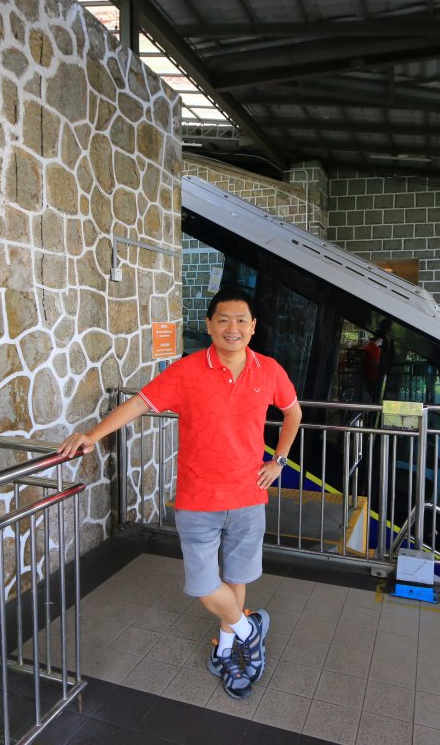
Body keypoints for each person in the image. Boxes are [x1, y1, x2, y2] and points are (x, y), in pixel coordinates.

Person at [56, 286, 302, 700]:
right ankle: (249, 630)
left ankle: (227, 651)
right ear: (209, 325)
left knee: (236, 580)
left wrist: (277, 460)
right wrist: (93, 435)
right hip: (198, 497)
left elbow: (293, 412)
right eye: (223, 319)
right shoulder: (188, 370)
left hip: (248, 495)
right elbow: (140, 403)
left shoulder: (270, 370)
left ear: (253, 326)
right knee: (207, 587)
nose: (233, 328)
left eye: (242, 320)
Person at [361, 334, 383, 402]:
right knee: (373, 395)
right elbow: (375, 363)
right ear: (378, 340)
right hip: (373, 375)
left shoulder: (367, 347)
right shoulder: (375, 349)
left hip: (366, 374)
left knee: (367, 392)